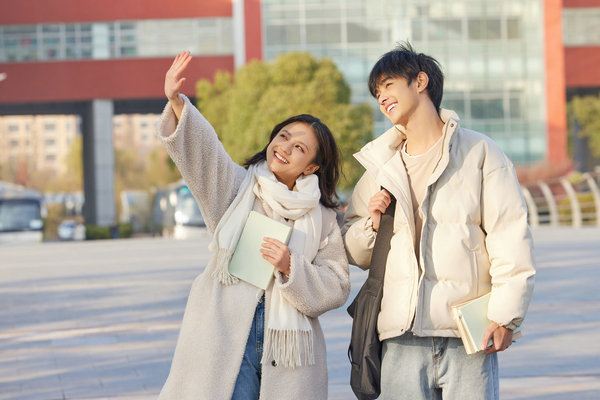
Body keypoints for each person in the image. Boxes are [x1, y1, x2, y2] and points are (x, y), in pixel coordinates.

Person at [342, 42, 535, 399]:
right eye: (377, 92)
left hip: (467, 334)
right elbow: (355, 252)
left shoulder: (480, 152)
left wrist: (507, 316)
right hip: (400, 337)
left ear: (420, 81)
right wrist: (370, 223)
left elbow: (509, 235)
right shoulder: (380, 167)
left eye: (388, 84)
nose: (382, 97)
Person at [157, 51, 350, 399]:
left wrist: (291, 266)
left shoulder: (322, 219)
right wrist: (177, 103)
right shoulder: (236, 188)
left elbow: (336, 284)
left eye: (299, 147)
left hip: (290, 354)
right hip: (227, 337)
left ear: (311, 168)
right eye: (283, 136)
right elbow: (205, 152)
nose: (285, 147)